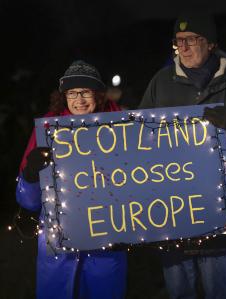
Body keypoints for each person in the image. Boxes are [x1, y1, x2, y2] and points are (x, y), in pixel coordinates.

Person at [139, 14, 226, 299]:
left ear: (210, 44)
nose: (183, 47)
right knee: (179, 289)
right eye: (178, 41)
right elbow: (139, 136)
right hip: (171, 203)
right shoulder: (161, 81)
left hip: (215, 205)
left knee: (218, 287)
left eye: (191, 40)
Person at [16, 60, 127, 299]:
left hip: (106, 243)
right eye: (72, 93)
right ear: (63, 96)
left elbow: (138, 182)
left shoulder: (120, 124)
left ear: (97, 95)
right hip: (58, 248)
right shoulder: (47, 130)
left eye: (85, 92)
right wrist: (31, 174)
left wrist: (129, 226)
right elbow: (28, 201)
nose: (79, 99)